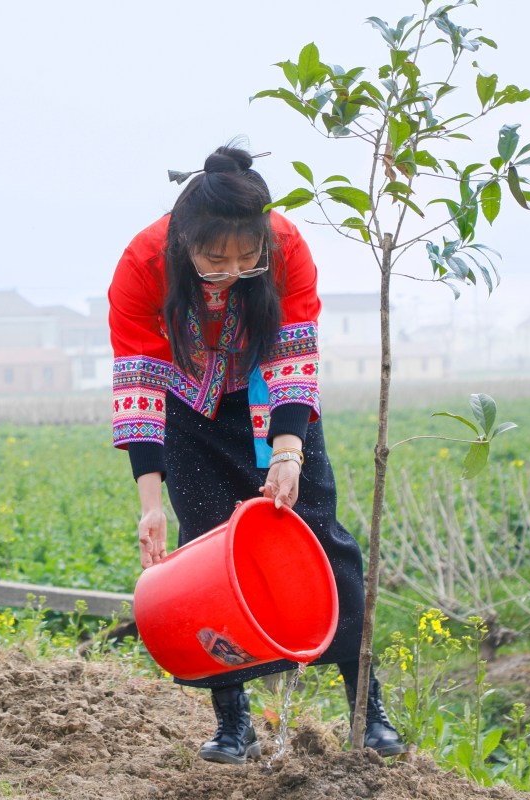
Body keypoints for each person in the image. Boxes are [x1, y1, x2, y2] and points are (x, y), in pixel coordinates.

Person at [107, 144, 405, 763]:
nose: (232, 271)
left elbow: (294, 347)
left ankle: (365, 710)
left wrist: (289, 450)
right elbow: (138, 381)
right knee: (208, 553)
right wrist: (149, 503)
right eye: (215, 260)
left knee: (317, 536)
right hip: (191, 406)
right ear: (184, 240)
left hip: (275, 398)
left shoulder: (287, 245)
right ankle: (232, 722)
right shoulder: (141, 263)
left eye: (247, 259)